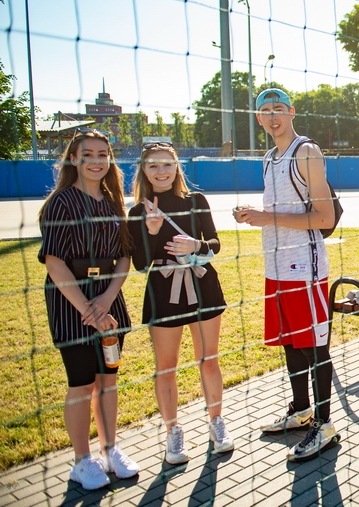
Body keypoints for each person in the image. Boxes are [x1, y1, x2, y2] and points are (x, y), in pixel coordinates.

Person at [233, 88, 339, 462]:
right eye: (265, 111)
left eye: (279, 109)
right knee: (291, 344)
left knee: (315, 348)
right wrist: (254, 215)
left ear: (292, 112)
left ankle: (325, 424)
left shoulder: (306, 151)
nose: (272, 116)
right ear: (258, 118)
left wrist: (266, 218)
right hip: (276, 267)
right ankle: (300, 410)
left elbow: (324, 218)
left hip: (305, 268)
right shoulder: (268, 157)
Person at [37, 129, 140, 490]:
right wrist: (88, 309)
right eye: (88, 154)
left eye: (103, 154)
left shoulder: (114, 201)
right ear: (74, 159)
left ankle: (110, 451)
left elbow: (125, 256)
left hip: (109, 301)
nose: (96, 161)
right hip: (73, 304)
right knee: (82, 384)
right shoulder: (61, 203)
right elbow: (54, 261)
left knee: (108, 381)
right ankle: (82, 462)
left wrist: (108, 299)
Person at [128, 142, 233, 464]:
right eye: (153, 166)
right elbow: (141, 264)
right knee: (166, 368)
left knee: (209, 361)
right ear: (144, 171)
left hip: (203, 286)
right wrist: (151, 229)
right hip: (163, 293)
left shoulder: (195, 200)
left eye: (167, 165)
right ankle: (173, 431)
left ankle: (217, 422)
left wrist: (196, 244)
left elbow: (215, 242)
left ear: (177, 167)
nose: (161, 172)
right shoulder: (137, 211)